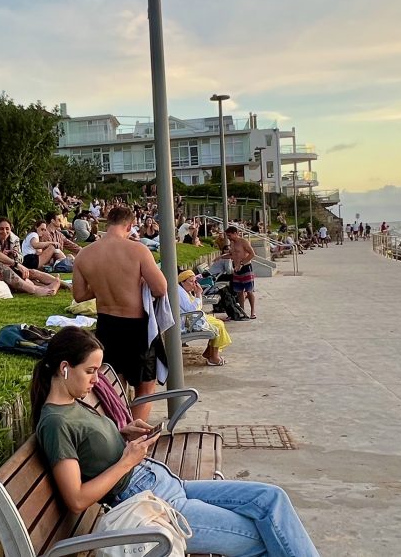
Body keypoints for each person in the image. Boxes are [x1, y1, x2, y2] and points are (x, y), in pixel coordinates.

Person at [32, 327, 321, 556]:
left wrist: (122, 434)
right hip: (151, 505)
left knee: (271, 499)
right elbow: (77, 499)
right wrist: (127, 462)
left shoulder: (73, 402)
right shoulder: (56, 423)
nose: (97, 380)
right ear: (65, 367)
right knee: (265, 538)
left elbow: (88, 449)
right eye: (90, 371)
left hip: (166, 483)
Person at [72, 205, 169, 420]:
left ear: (107, 223)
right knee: (145, 389)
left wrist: (102, 285)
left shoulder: (84, 255)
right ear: (130, 225)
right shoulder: (137, 250)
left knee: (115, 388)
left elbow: (79, 295)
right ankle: (134, 434)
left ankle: (118, 429)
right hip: (136, 327)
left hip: (106, 326)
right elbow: (161, 288)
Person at [179, 270, 230, 366]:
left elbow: (198, 307)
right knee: (218, 325)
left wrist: (198, 294)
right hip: (188, 322)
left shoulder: (185, 291)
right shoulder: (180, 293)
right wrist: (198, 295)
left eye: (195, 281)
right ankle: (214, 357)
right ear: (182, 282)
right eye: (191, 281)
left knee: (218, 322)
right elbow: (191, 309)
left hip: (193, 318)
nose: (194, 284)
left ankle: (209, 353)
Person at [226, 226, 258, 319]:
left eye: (229, 235)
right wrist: (221, 257)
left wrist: (241, 264)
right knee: (239, 292)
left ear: (235, 233)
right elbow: (233, 254)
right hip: (236, 269)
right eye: (227, 236)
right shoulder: (232, 243)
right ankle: (242, 311)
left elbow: (252, 254)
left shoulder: (243, 242)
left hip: (246, 267)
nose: (228, 237)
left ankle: (253, 312)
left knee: (249, 291)